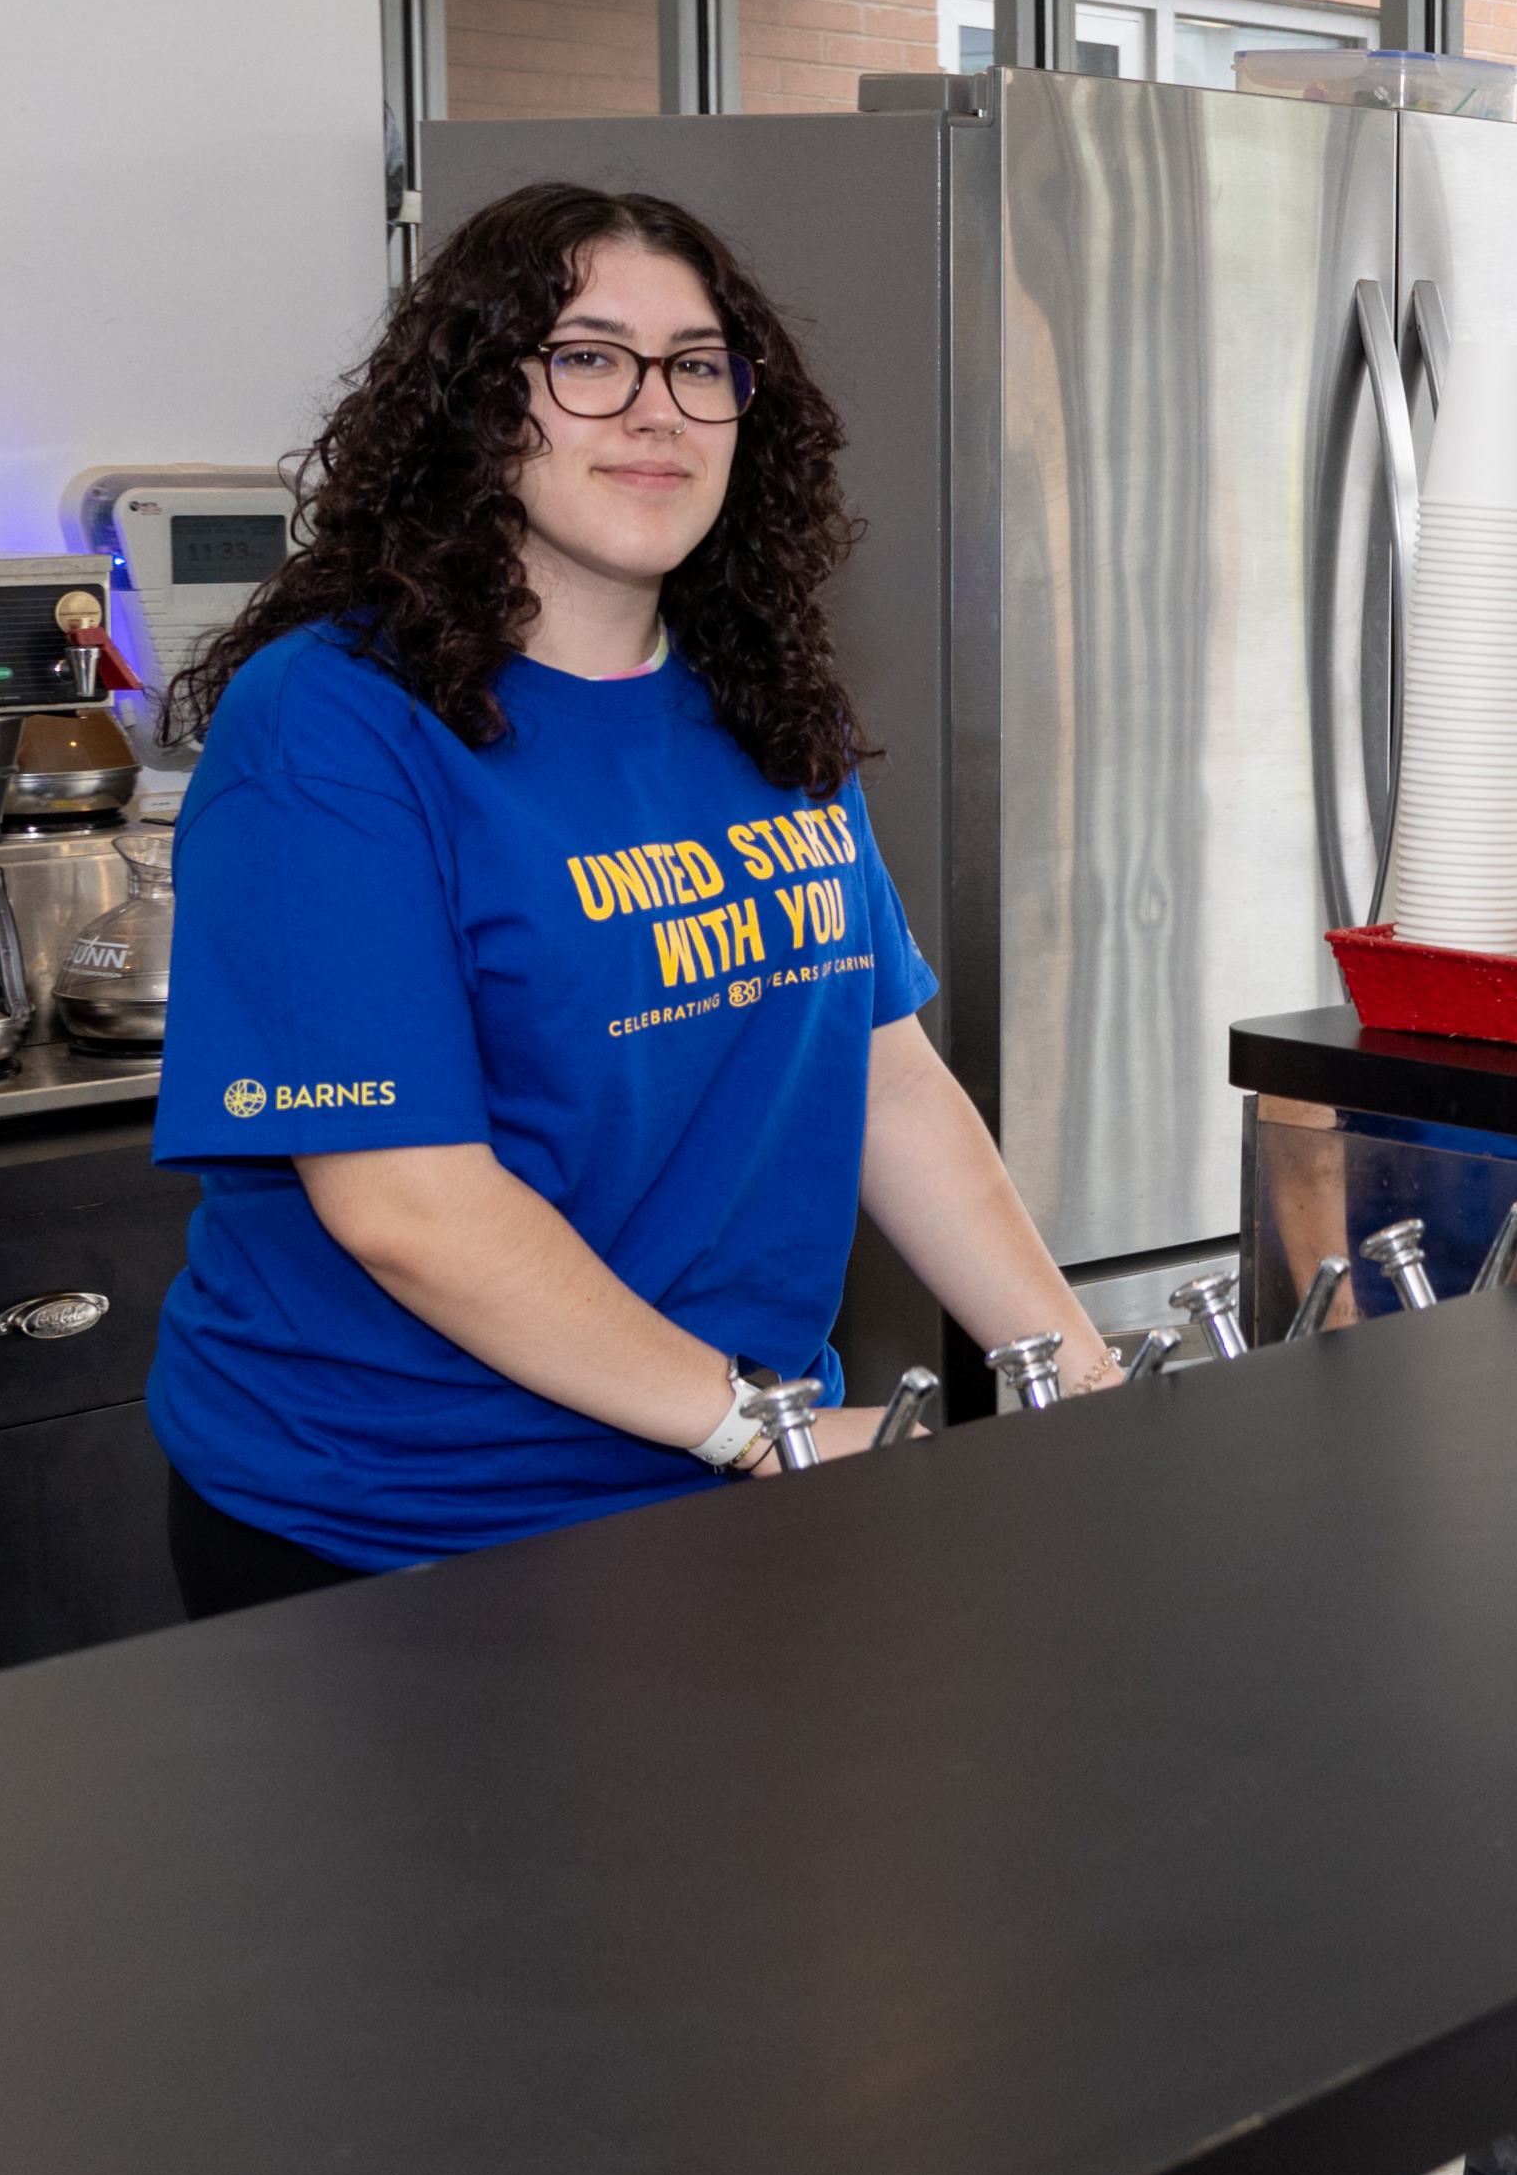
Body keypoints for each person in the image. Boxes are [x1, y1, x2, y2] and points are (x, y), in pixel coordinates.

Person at [143, 180, 1122, 1610]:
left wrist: (1080, 1384)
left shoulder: (761, 702)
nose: (655, 410)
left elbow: (882, 1073)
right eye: (588, 359)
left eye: (699, 365)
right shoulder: (336, 725)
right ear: (479, 406)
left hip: (737, 1488)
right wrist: (761, 1428)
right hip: (408, 1531)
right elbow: (408, 1203)